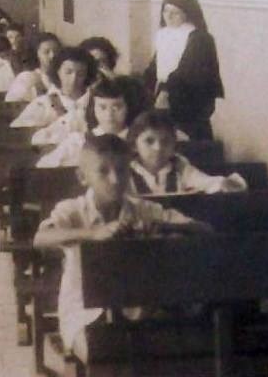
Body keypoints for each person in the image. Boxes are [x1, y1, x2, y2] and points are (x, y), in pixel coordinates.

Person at [33, 135, 211, 364]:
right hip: (86, 314)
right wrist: (92, 234)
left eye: (122, 170)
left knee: (179, 346)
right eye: (103, 172)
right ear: (82, 177)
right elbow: (41, 238)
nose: (116, 180)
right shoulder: (73, 210)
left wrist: (163, 226)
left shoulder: (144, 209)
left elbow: (205, 231)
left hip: (141, 310)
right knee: (106, 351)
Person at [142, 0, 224, 140]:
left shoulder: (199, 38)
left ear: (187, 14)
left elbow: (188, 71)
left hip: (187, 98)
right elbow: (154, 67)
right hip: (164, 94)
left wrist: (166, 91)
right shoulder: (164, 35)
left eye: (176, 12)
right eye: (166, 11)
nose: (169, 16)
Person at [36, 76, 147, 168]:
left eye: (117, 107)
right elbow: (43, 167)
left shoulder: (140, 142)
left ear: (129, 108)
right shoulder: (78, 142)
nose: (109, 115)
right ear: (93, 108)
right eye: (102, 107)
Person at [127, 110, 246, 194]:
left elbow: (205, 182)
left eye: (166, 141)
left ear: (174, 144)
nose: (158, 148)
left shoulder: (180, 167)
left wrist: (223, 183)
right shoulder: (125, 170)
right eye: (149, 141)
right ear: (134, 145)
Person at [11, 47, 97, 146]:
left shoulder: (97, 103)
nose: (74, 79)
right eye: (68, 72)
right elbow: (19, 135)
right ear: (58, 72)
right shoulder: (43, 104)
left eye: (80, 74)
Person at [5, 32, 61, 103]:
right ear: (36, 55)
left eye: (56, 51)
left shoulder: (64, 76)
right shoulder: (28, 77)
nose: (52, 56)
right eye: (46, 52)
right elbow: (13, 104)